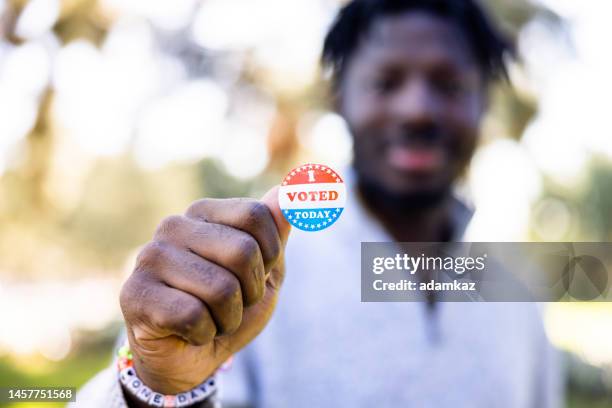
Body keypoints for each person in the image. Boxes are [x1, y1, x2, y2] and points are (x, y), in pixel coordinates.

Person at [77, 0, 562, 406]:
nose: (417, 108)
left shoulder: (517, 287)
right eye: (385, 82)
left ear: (482, 103)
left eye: (449, 85)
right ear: (340, 99)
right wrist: (153, 385)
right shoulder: (246, 268)